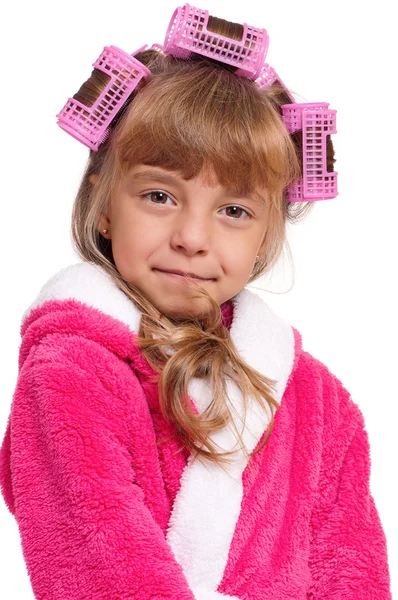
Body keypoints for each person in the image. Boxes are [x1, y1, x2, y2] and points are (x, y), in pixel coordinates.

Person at [0, 3, 392, 599]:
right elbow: (98, 568)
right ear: (104, 203)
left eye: (233, 211)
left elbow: (353, 571)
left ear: (267, 233)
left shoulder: (319, 402)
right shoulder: (71, 374)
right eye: (159, 195)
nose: (191, 236)